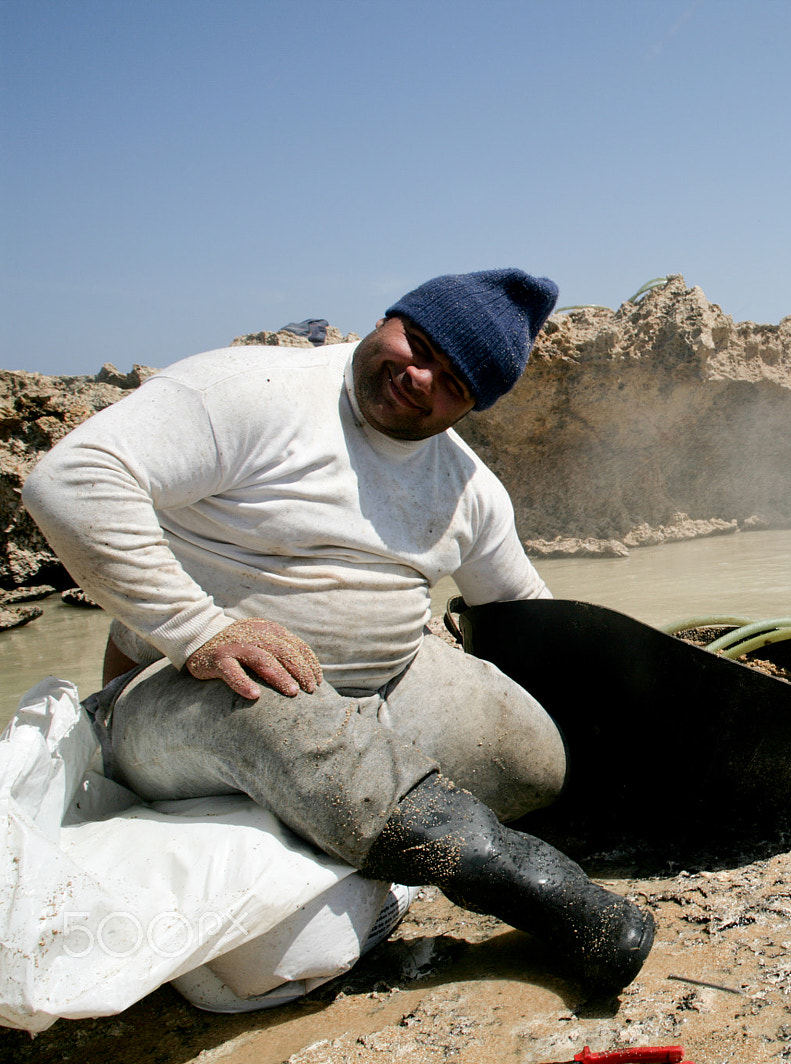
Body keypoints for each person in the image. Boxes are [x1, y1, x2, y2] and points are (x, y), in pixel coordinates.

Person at [21, 269, 655, 998]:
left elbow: (529, 615)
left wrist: (645, 692)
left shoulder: (467, 486)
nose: (419, 378)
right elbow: (72, 477)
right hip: (187, 699)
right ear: (388, 319)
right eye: (416, 345)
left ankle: (369, 818)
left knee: (534, 759)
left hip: (379, 690)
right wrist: (198, 629)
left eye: (451, 382)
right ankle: (520, 882)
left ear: (472, 406)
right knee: (276, 703)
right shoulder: (252, 390)